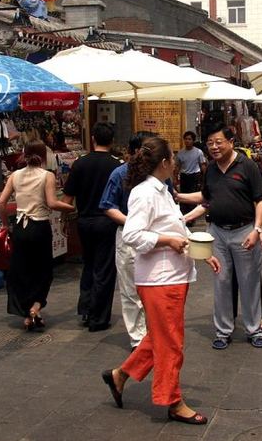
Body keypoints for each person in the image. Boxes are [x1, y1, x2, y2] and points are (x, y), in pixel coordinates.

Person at [101, 137, 221, 425]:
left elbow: (173, 227)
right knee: (171, 343)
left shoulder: (163, 190)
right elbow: (133, 234)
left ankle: (120, 375)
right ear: (165, 162)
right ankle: (172, 399)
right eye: (173, 157)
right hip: (159, 279)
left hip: (171, 276)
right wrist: (166, 240)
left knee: (160, 337)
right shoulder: (145, 193)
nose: (177, 161)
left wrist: (199, 253)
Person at [179, 122, 262, 350]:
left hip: (244, 231)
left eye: (219, 142)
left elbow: (260, 200)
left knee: (249, 282)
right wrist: (181, 201)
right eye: (210, 143)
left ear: (231, 142)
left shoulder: (247, 166)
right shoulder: (210, 170)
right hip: (217, 233)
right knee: (221, 281)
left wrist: (257, 230)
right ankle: (223, 330)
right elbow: (207, 200)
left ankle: (254, 328)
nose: (214, 147)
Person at [0, 140, 74, 331]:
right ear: (43, 156)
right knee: (43, 269)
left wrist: (6, 225)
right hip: (39, 227)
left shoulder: (15, 175)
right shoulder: (47, 176)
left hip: (21, 227)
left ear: (24, 154)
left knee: (22, 270)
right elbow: (52, 203)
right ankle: (36, 306)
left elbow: (1, 202)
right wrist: (71, 207)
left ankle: (28, 312)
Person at [99, 130, 156, 349]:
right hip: (128, 237)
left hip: (155, 237)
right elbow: (107, 206)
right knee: (130, 290)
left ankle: (152, 331)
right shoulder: (119, 174)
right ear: (132, 152)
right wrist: (132, 223)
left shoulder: (159, 174)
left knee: (153, 287)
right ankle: (138, 338)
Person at [62, 122, 121, 331]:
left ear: (93, 139)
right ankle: (98, 316)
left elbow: (68, 198)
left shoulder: (80, 164)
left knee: (88, 264)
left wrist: (63, 219)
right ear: (112, 141)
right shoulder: (117, 166)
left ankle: (86, 309)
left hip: (84, 221)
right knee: (104, 269)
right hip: (107, 222)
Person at [175, 130, 206, 215]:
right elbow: (177, 166)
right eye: (186, 139)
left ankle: (192, 216)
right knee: (183, 195)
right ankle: (184, 214)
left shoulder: (198, 152)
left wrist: (205, 177)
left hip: (194, 176)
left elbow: (202, 165)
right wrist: (175, 178)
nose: (187, 141)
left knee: (193, 196)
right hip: (184, 176)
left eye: (189, 139)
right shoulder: (180, 152)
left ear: (193, 140)